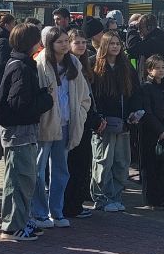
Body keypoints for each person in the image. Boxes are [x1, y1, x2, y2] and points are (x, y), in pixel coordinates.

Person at [31, 27, 92, 227]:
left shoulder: (73, 63)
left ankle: (56, 211)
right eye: (60, 42)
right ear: (49, 43)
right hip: (46, 125)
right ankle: (39, 212)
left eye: (67, 41)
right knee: (38, 171)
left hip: (67, 124)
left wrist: (80, 115)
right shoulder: (40, 63)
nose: (65, 45)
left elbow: (85, 97)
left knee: (61, 170)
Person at [0, 23, 54, 239]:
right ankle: (12, 225)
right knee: (19, 179)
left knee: (25, 178)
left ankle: (21, 219)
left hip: (23, 130)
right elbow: (18, 104)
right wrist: (45, 99)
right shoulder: (20, 67)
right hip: (18, 132)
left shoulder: (22, 64)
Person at [90, 31, 139, 210]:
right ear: (104, 46)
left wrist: (134, 113)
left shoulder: (126, 66)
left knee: (121, 162)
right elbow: (93, 96)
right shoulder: (94, 65)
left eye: (118, 43)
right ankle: (102, 198)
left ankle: (116, 196)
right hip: (104, 124)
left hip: (124, 123)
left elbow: (135, 92)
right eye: (112, 44)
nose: (116, 47)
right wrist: (98, 117)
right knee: (103, 162)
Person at [64, 31, 103, 219]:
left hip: (87, 118)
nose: (81, 45)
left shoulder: (85, 64)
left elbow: (89, 95)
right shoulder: (69, 64)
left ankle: (77, 201)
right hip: (74, 120)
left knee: (83, 162)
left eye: (83, 42)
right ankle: (71, 204)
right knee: (74, 164)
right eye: (76, 42)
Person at [136, 53, 164, 208]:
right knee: (151, 167)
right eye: (157, 68)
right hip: (152, 132)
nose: (161, 71)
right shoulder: (146, 87)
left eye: (163, 67)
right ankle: (152, 199)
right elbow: (147, 112)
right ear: (149, 70)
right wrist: (159, 130)